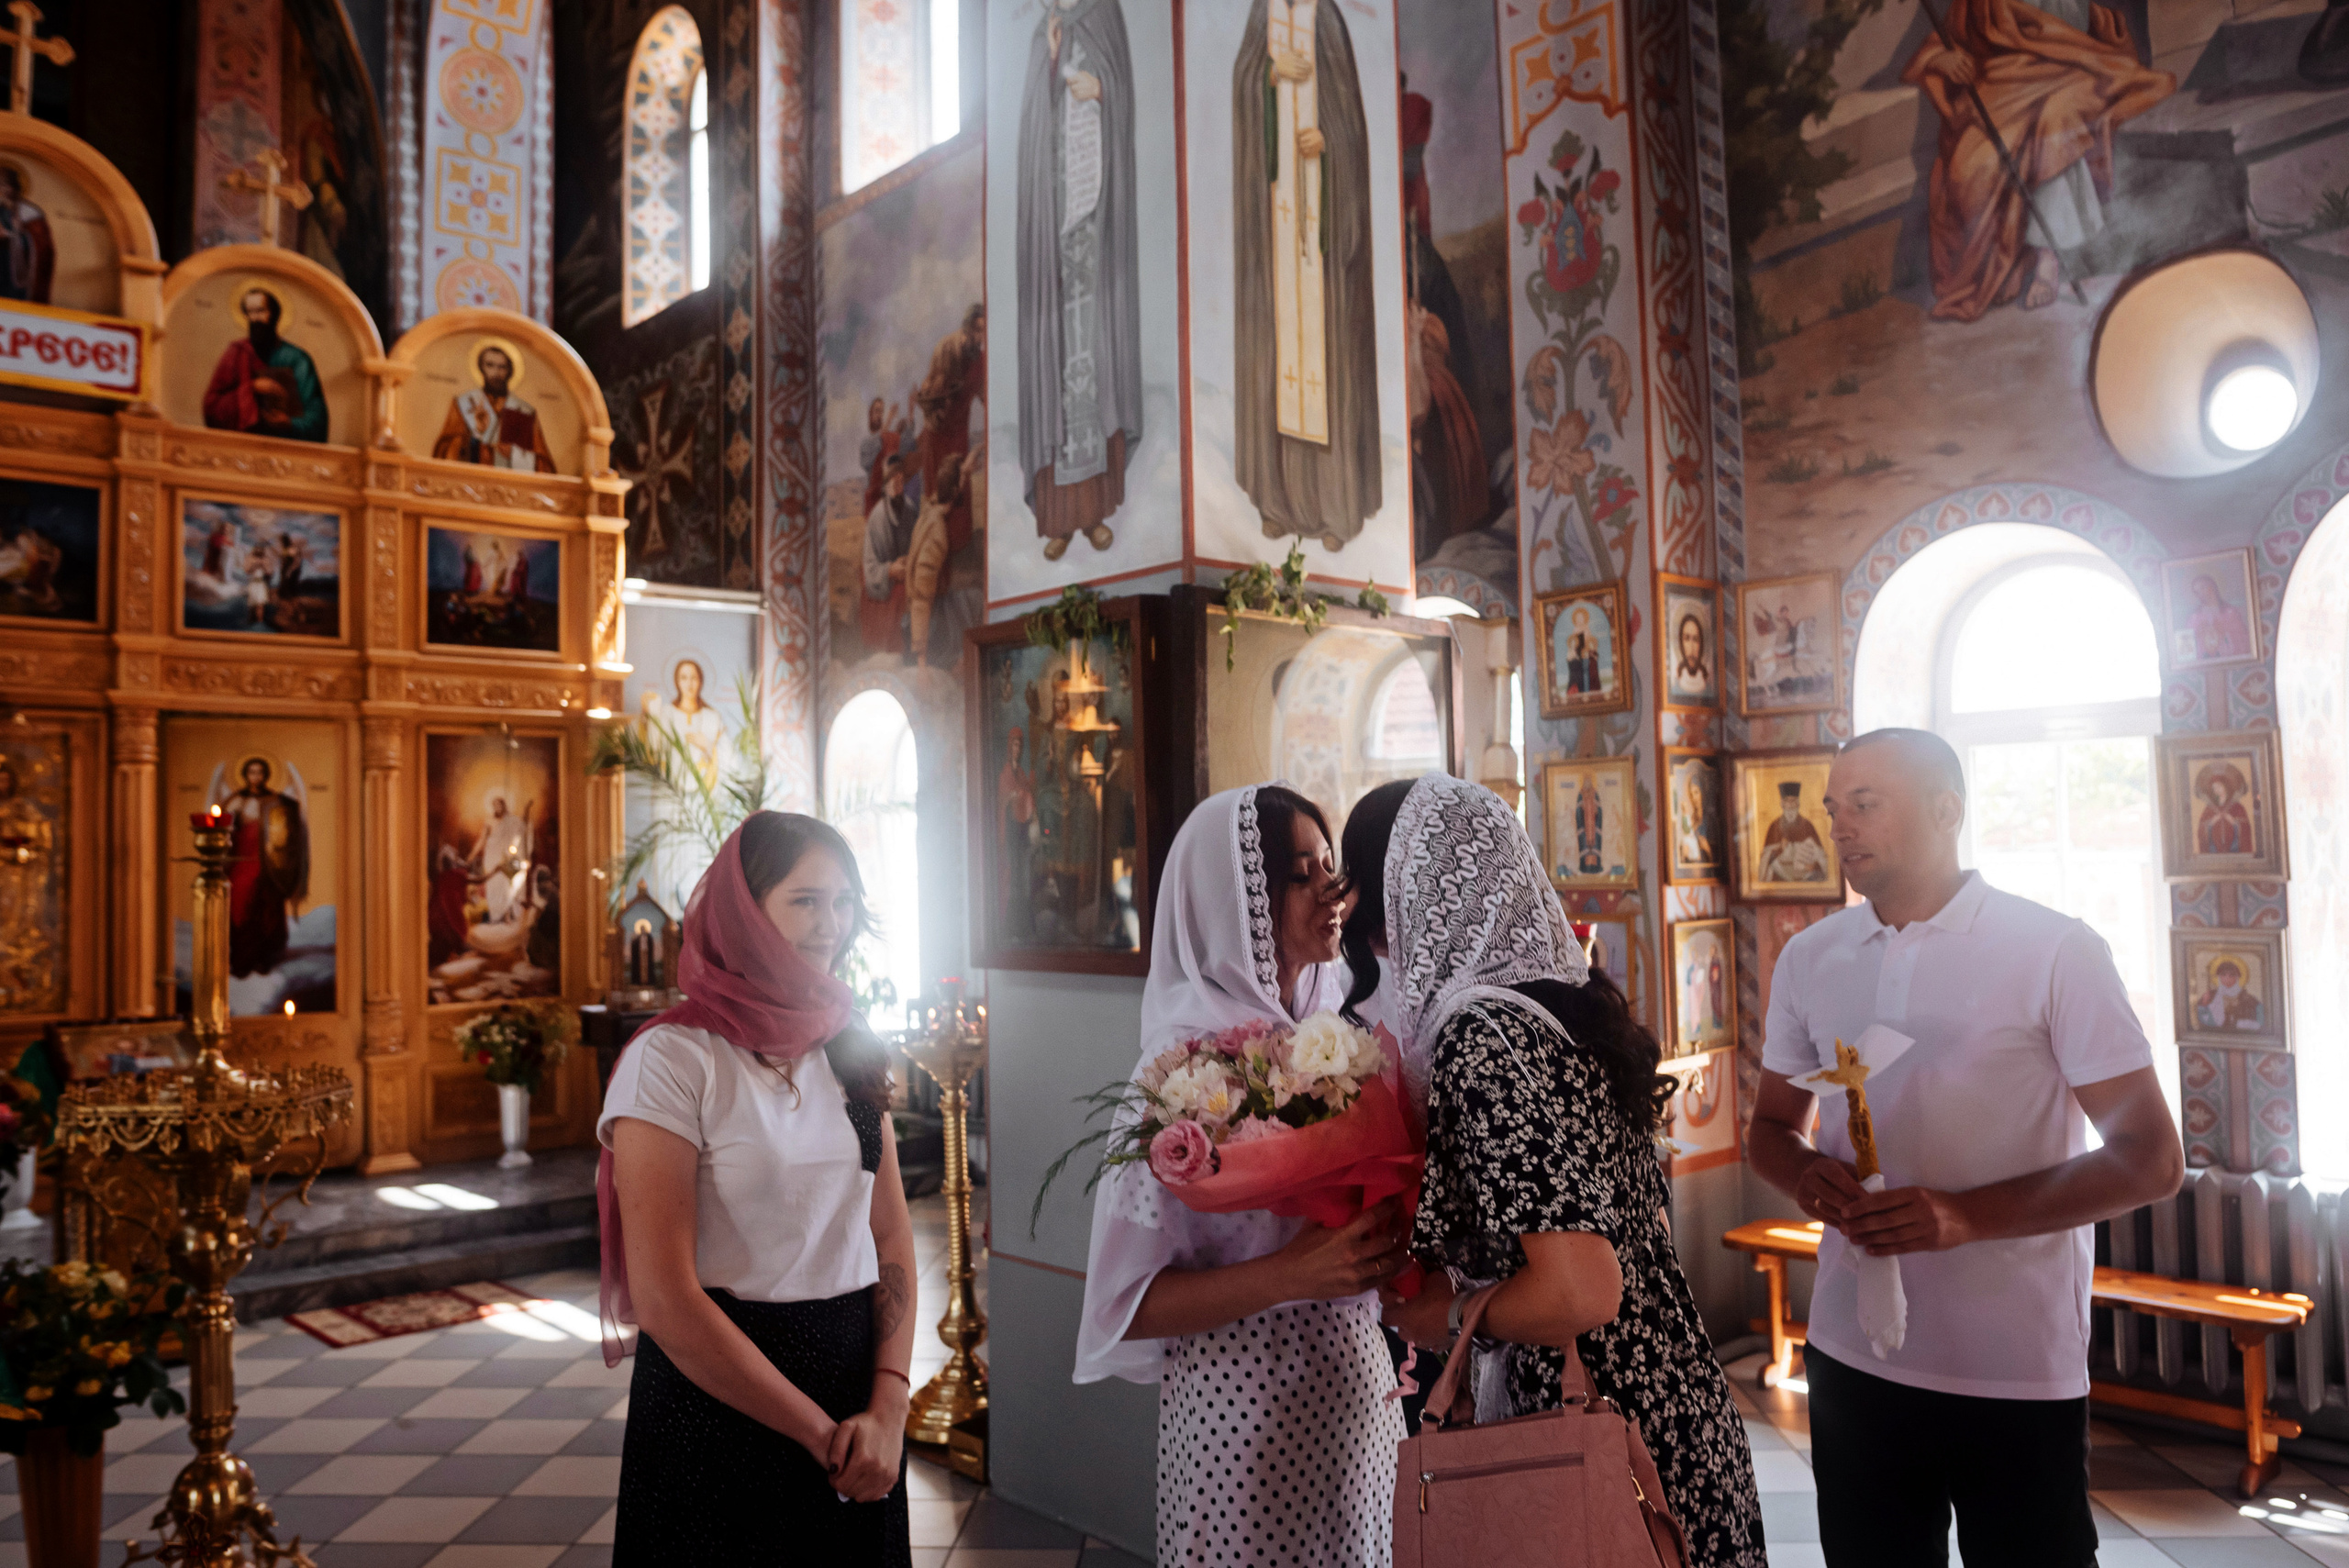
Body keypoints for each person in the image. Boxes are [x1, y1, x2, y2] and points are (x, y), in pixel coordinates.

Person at [1746, 728, 2184, 1567]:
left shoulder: (2054, 950)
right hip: (1855, 1352)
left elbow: (2150, 1157)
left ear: (1948, 811)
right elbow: (1770, 1132)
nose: (1840, 827)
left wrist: (1960, 1216)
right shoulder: (1810, 957)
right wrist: (1810, 1178)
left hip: (2012, 1366)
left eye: (1865, 804)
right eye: (1834, 808)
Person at [1371, 774, 1765, 1567]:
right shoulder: (1560, 1006)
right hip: (1672, 1399)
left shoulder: (1482, 1036)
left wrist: (1442, 1318)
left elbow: (1582, 1289)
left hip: (1597, 1441)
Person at [1074, 784, 1409, 1565]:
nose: (1333, 891)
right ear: (1236, 901)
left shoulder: (1343, 1043)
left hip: (1356, 1397)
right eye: (1301, 874)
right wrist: (1293, 1271)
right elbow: (1128, 1305)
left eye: (1332, 865)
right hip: (1240, 1413)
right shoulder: (1178, 1076)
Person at [599, 812, 913, 1563]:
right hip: (721, 1405)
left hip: (852, 1390)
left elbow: (891, 1234)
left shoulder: (849, 1042)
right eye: (805, 899)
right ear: (745, 910)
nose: (829, 923)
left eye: (842, 901)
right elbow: (666, 1293)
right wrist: (818, 1434)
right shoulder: (674, 1061)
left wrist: (887, 1410)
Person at [1901, 0, 2171, 321]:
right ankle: (2010, 262)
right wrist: (1942, 59)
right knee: (1969, 168)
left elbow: (2074, 27)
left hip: (2066, 66)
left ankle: (2047, 255)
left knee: (2055, 122)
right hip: (2002, 83)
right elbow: (1951, 35)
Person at [1232, 0, 1381, 552]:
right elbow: (1243, 85)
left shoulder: (1328, 19)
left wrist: (1330, 144)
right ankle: (1279, 503)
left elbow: (1353, 126)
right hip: (1274, 229)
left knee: (1328, 367)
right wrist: (1268, 77)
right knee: (1276, 363)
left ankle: (1331, 509)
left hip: (1322, 231)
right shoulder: (1261, 15)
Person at [1017, 0, 1141, 562]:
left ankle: (1095, 513)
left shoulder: (1104, 14)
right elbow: (1031, 132)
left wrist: (1103, 90)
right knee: (1056, 364)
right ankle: (1058, 519)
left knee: (1092, 358)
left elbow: (1122, 94)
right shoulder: (1044, 34)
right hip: (1053, 236)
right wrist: (1047, 63)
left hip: (1093, 227)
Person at [217, 757, 307, 981]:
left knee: (266, 904)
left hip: (266, 863)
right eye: (251, 772)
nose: (255, 777)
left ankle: (266, 958)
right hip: (240, 859)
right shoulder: (235, 800)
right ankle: (241, 960)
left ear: (266, 775)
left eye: (259, 773)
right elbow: (226, 831)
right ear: (245, 775)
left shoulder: (275, 801)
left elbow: (286, 827)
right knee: (239, 904)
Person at [201, 288, 328, 443]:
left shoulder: (297, 359)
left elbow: (317, 419)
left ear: (275, 315)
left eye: (260, 311)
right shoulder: (236, 353)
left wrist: (290, 423)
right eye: (249, 312)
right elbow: (212, 408)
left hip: (287, 448)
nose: (254, 318)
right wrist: (252, 387)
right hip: (241, 445)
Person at [433, 344, 557, 472]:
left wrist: (515, 455)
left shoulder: (524, 411)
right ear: (481, 367)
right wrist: (476, 434)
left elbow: (544, 466)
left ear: (510, 371)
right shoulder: (464, 404)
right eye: (490, 365)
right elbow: (444, 452)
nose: (496, 373)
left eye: (502, 367)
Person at [860, 456, 917, 656]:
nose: (898, 487)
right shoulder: (878, 517)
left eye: (902, 482)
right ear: (886, 484)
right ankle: (898, 652)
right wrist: (890, 570)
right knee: (902, 595)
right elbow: (870, 569)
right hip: (881, 588)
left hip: (905, 575)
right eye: (894, 482)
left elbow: (914, 543)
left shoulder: (909, 508)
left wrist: (908, 561)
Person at [0, 163, 53, 305]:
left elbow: (42, 249)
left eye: (4, 185)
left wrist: (10, 236)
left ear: (13, 188)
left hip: (13, 276)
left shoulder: (29, 213)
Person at [1759, 781, 1829, 883]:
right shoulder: (1774, 827)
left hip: (1805, 879)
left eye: (1794, 801)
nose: (1791, 805)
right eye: (1787, 801)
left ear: (1798, 803)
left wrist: (1814, 866)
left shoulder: (1808, 826)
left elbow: (1822, 859)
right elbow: (1765, 859)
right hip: (1779, 879)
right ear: (1782, 803)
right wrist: (1780, 849)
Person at [2184, 573, 2251, 662]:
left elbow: (2242, 641)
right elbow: (2187, 647)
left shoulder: (2230, 613)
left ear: (2212, 587)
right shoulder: (2194, 618)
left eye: (2203, 588)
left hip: (2229, 662)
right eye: (2196, 592)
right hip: (2204, 664)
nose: (2200, 594)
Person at [2195, 764, 2253, 856]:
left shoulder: (2237, 807)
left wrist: (2234, 822)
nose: (2216, 790)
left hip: (2234, 851)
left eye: (2219, 787)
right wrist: (2211, 823)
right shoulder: (2209, 808)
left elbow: (2246, 828)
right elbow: (2201, 829)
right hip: (2214, 852)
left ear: (2225, 786)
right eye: (2214, 788)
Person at [2195, 957, 2263, 1031]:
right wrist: (2204, 1004)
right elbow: (2198, 1019)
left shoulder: (2248, 999)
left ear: (2237, 977)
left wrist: (2241, 1024)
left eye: (2232, 975)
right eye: (2223, 975)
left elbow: (2261, 1021)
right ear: (2219, 977)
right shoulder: (2211, 996)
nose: (2227, 979)